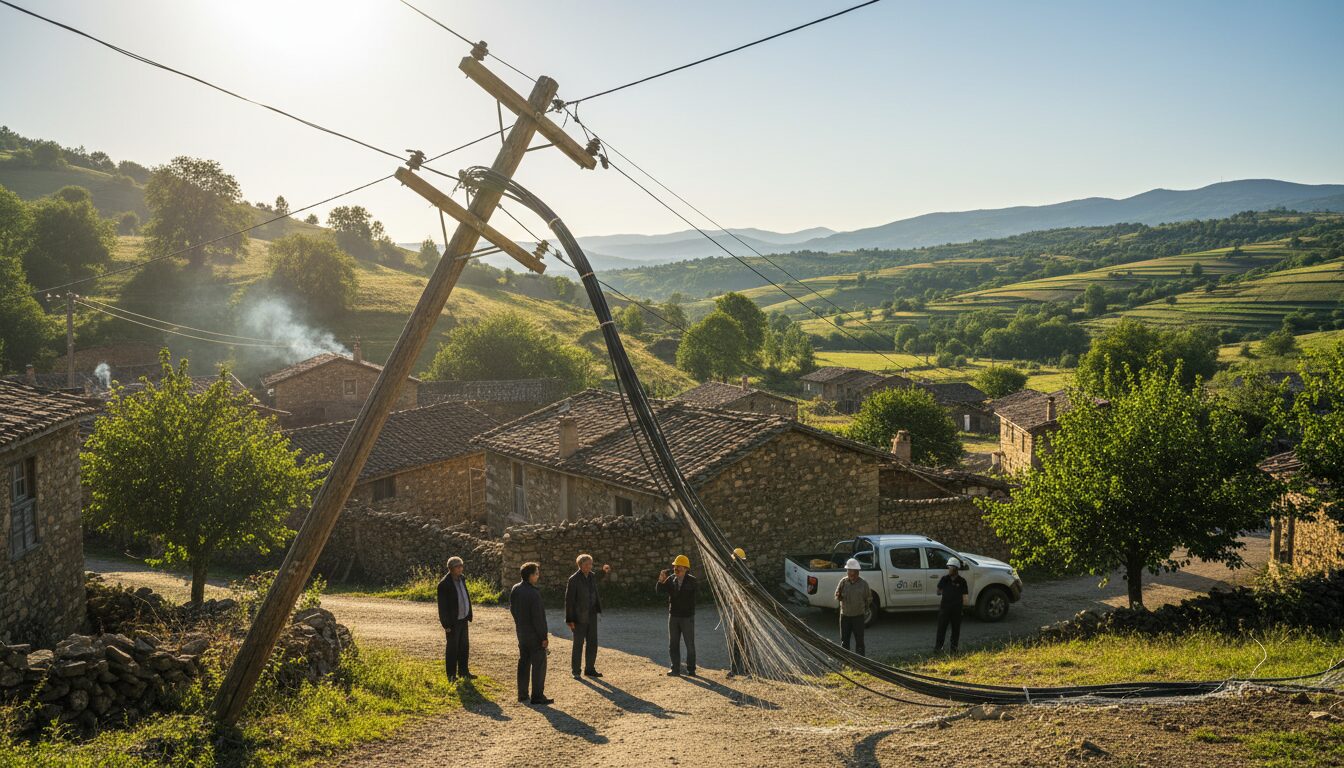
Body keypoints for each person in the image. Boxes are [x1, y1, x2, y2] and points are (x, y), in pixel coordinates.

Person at [510, 561, 552, 705]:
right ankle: (537, 696)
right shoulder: (534, 593)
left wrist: (520, 624)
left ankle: (522, 694)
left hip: (522, 632)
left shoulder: (515, 589)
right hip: (534, 635)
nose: (538, 576)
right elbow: (539, 618)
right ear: (530, 576)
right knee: (539, 665)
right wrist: (544, 637)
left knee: (523, 663)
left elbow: (513, 610)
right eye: (536, 573)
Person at [565, 553, 611, 679]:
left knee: (592, 643)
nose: (590, 566)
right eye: (587, 564)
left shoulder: (591, 576)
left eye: (591, 564)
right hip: (578, 617)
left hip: (591, 615)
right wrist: (569, 619)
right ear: (580, 565)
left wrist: (604, 571)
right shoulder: (573, 579)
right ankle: (576, 671)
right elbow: (569, 601)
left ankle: (590, 669)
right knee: (578, 644)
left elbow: (598, 576)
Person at [656, 554, 697, 676]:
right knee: (673, 644)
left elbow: (688, 597)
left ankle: (691, 669)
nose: (676, 569)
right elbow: (659, 592)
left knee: (689, 644)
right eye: (675, 566)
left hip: (687, 617)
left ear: (685, 568)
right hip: (673, 616)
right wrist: (660, 580)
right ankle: (675, 669)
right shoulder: (670, 579)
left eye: (679, 567)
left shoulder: (692, 581)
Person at [436, 556, 475, 682]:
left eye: (461, 566)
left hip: (463, 619)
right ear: (451, 568)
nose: (461, 568)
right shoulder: (444, 584)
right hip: (452, 622)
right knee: (452, 648)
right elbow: (442, 607)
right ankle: (451, 675)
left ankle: (464, 672)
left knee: (464, 646)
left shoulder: (461, 579)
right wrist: (446, 625)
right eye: (458, 566)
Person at [834, 557, 872, 657]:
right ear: (847, 572)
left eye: (854, 573)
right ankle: (846, 661)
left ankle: (861, 662)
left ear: (858, 572)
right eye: (850, 572)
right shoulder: (843, 582)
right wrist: (839, 595)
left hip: (858, 617)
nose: (852, 575)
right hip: (845, 616)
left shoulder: (864, 584)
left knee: (859, 641)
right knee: (844, 641)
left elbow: (868, 599)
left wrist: (865, 609)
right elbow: (837, 596)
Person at [935, 557, 970, 653]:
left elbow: (965, 596)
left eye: (950, 567)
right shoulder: (944, 579)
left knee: (956, 630)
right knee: (941, 629)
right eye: (948, 567)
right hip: (944, 609)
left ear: (956, 568)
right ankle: (938, 648)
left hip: (957, 610)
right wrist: (943, 590)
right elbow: (938, 592)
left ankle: (954, 649)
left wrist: (964, 606)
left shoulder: (962, 581)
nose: (948, 569)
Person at [726, 547, 750, 679]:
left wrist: (739, 601)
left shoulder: (746, 576)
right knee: (735, 641)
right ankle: (735, 669)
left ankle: (748, 668)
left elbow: (748, 595)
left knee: (745, 641)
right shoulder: (734, 574)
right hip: (737, 611)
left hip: (745, 613)